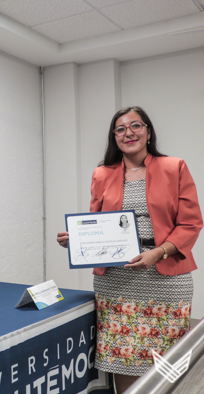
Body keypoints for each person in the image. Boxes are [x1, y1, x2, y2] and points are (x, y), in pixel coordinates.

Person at [57, 106, 202, 393]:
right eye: (121, 129)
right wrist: (77, 239)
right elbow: (97, 223)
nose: (128, 133)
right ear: (115, 137)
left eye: (136, 126)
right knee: (121, 358)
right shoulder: (102, 174)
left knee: (165, 362)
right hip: (117, 280)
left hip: (166, 278)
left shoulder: (174, 167)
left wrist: (157, 253)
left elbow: (191, 223)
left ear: (148, 132)